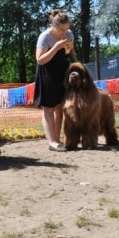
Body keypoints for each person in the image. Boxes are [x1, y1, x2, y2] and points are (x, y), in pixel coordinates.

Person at [33, 9, 76, 152]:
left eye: (67, 28)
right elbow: (40, 60)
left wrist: (76, 66)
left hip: (63, 72)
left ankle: (57, 140)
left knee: (60, 107)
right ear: (54, 25)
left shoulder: (68, 34)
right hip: (48, 73)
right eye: (62, 29)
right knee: (49, 108)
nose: (65, 32)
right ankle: (52, 141)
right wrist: (56, 47)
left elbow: (71, 52)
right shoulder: (44, 37)